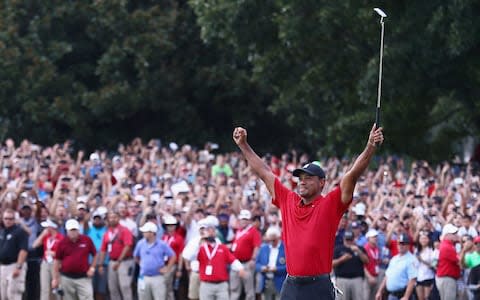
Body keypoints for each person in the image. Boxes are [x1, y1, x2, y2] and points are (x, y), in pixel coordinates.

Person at [233, 124, 384, 299]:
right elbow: (264, 172)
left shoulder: (330, 204)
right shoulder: (288, 200)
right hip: (291, 284)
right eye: (300, 178)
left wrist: (370, 147)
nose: (302, 182)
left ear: (322, 183)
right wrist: (243, 145)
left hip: (318, 286)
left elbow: (352, 175)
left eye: (308, 178)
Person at [52, 219, 97, 300]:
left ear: (78, 230)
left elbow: (95, 254)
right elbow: (57, 261)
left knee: (88, 297)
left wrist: (92, 268)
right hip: (67, 278)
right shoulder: (62, 243)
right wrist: (55, 278)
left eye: (75, 230)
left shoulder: (86, 240)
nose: (73, 232)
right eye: (71, 230)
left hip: (84, 277)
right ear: (67, 231)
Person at [133, 221, 176, 300]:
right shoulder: (140, 243)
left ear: (152, 233)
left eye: (145, 231)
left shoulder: (161, 244)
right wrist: (141, 264)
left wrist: (167, 268)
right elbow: (136, 256)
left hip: (158, 277)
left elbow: (173, 256)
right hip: (144, 277)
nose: (143, 233)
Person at [98, 211, 135, 300]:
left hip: (124, 261)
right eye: (110, 217)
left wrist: (119, 261)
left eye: (114, 217)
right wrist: (101, 264)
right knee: (112, 288)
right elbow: (103, 249)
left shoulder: (125, 230)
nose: (112, 219)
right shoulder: (107, 233)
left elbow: (128, 246)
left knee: (125, 286)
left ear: (118, 218)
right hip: (112, 261)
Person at [230, 209, 262, 300]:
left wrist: (253, 259)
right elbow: (234, 245)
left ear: (249, 220)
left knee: (249, 289)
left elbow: (257, 246)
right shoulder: (238, 231)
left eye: (245, 219)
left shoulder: (253, 231)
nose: (243, 221)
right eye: (242, 219)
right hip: (236, 263)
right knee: (234, 288)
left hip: (247, 262)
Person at [375, 233, 418, 300]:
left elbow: (412, 280)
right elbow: (387, 276)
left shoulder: (411, 259)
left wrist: (406, 297)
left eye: (403, 244)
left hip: (402, 295)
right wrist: (379, 291)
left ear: (408, 245)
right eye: (399, 243)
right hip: (391, 295)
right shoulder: (394, 258)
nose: (400, 246)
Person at [0, 208, 29, 300]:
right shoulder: (2, 232)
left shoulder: (19, 231)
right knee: (4, 295)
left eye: (10, 219)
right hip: (3, 266)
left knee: (13, 295)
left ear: (14, 219)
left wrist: (18, 266)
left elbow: (23, 250)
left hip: (14, 265)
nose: (8, 221)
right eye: (6, 218)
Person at [32, 218, 64, 300]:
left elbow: (65, 254)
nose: (46, 229)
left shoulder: (61, 238)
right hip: (45, 263)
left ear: (52, 227)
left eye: (47, 227)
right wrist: (42, 235)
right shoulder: (46, 236)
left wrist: (54, 254)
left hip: (56, 264)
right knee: (44, 288)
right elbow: (34, 245)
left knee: (57, 287)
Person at [332, 230, 368, 300]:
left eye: (350, 239)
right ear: (344, 239)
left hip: (357, 279)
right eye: (347, 240)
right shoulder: (338, 249)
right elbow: (332, 264)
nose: (349, 242)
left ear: (354, 239)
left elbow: (366, 261)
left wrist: (358, 251)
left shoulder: (359, 248)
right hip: (342, 279)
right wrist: (342, 259)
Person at [256, 226, 287, 300]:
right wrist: (262, 268)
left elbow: (290, 267)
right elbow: (257, 264)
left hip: (281, 282)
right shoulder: (264, 248)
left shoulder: (285, 248)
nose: (271, 242)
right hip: (266, 281)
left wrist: (277, 269)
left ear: (278, 237)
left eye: (274, 240)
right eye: (269, 240)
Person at [161, 214, 185, 300]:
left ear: (175, 226)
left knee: (166, 284)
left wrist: (179, 269)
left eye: (172, 225)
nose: (170, 227)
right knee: (166, 286)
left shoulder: (179, 238)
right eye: (168, 225)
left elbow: (181, 254)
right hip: (163, 264)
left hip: (173, 264)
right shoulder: (164, 237)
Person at [436, 224, 461, 300]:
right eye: (453, 234)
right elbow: (459, 261)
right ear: (447, 235)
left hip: (447, 278)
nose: (456, 235)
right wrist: (465, 248)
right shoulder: (447, 246)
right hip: (447, 278)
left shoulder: (449, 245)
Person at [87, 208, 108, 300]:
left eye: (99, 218)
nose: (97, 220)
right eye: (95, 219)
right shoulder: (88, 230)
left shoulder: (106, 230)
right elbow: (84, 220)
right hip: (90, 263)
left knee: (101, 290)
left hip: (104, 264)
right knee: (90, 289)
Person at [414, 231, 437, 300]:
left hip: (428, 276)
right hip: (419, 277)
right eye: (421, 238)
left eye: (425, 238)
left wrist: (422, 261)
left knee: (427, 298)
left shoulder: (432, 250)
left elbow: (434, 265)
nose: (423, 240)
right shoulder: (416, 250)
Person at [363, 229, 382, 300]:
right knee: (366, 297)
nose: (375, 238)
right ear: (368, 238)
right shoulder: (365, 248)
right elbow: (363, 266)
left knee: (375, 297)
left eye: (376, 236)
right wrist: (369, 277)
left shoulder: (377, 248)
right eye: (373, 237)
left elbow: (376, 261)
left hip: (376, 276)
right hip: (368, 277)